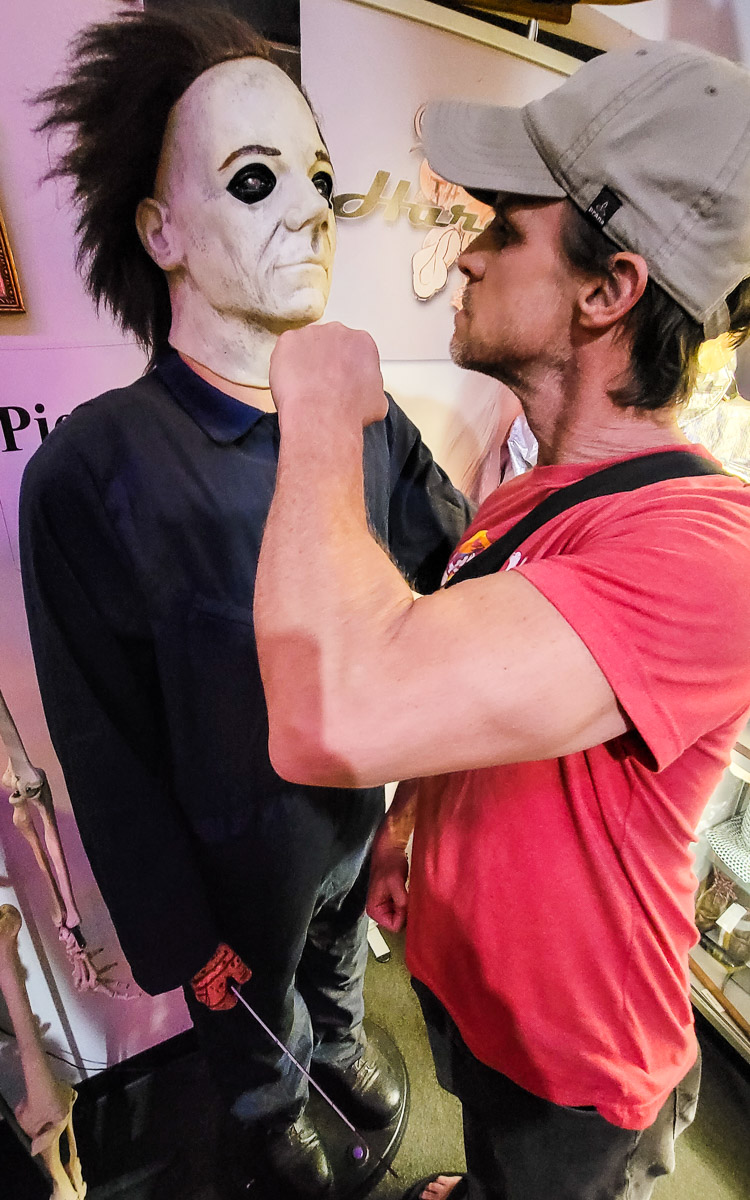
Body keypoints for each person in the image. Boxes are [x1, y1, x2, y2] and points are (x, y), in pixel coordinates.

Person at [253, 40, 750, 1200]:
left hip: (571, 1053)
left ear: (609, 287)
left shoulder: (706, 555)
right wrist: (406, 829)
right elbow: (457, 689)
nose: (466, 254)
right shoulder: (538, 490)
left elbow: (339, 709)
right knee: (477, 1158)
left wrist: (322, 411)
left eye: (504, 227)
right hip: (470, 981)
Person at [19, 10, 470, 1197]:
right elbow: (102, 745)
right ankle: (272, 1099)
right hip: (227, 859)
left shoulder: (355, 404)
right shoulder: (95, 468)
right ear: (161, 230)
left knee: (331, 967)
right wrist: (175, 933)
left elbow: (453, 553)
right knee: (252, 1007)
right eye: (258, 181)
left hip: (350, 821)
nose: (312, 211)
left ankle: (335, 1047)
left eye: (317, 178)